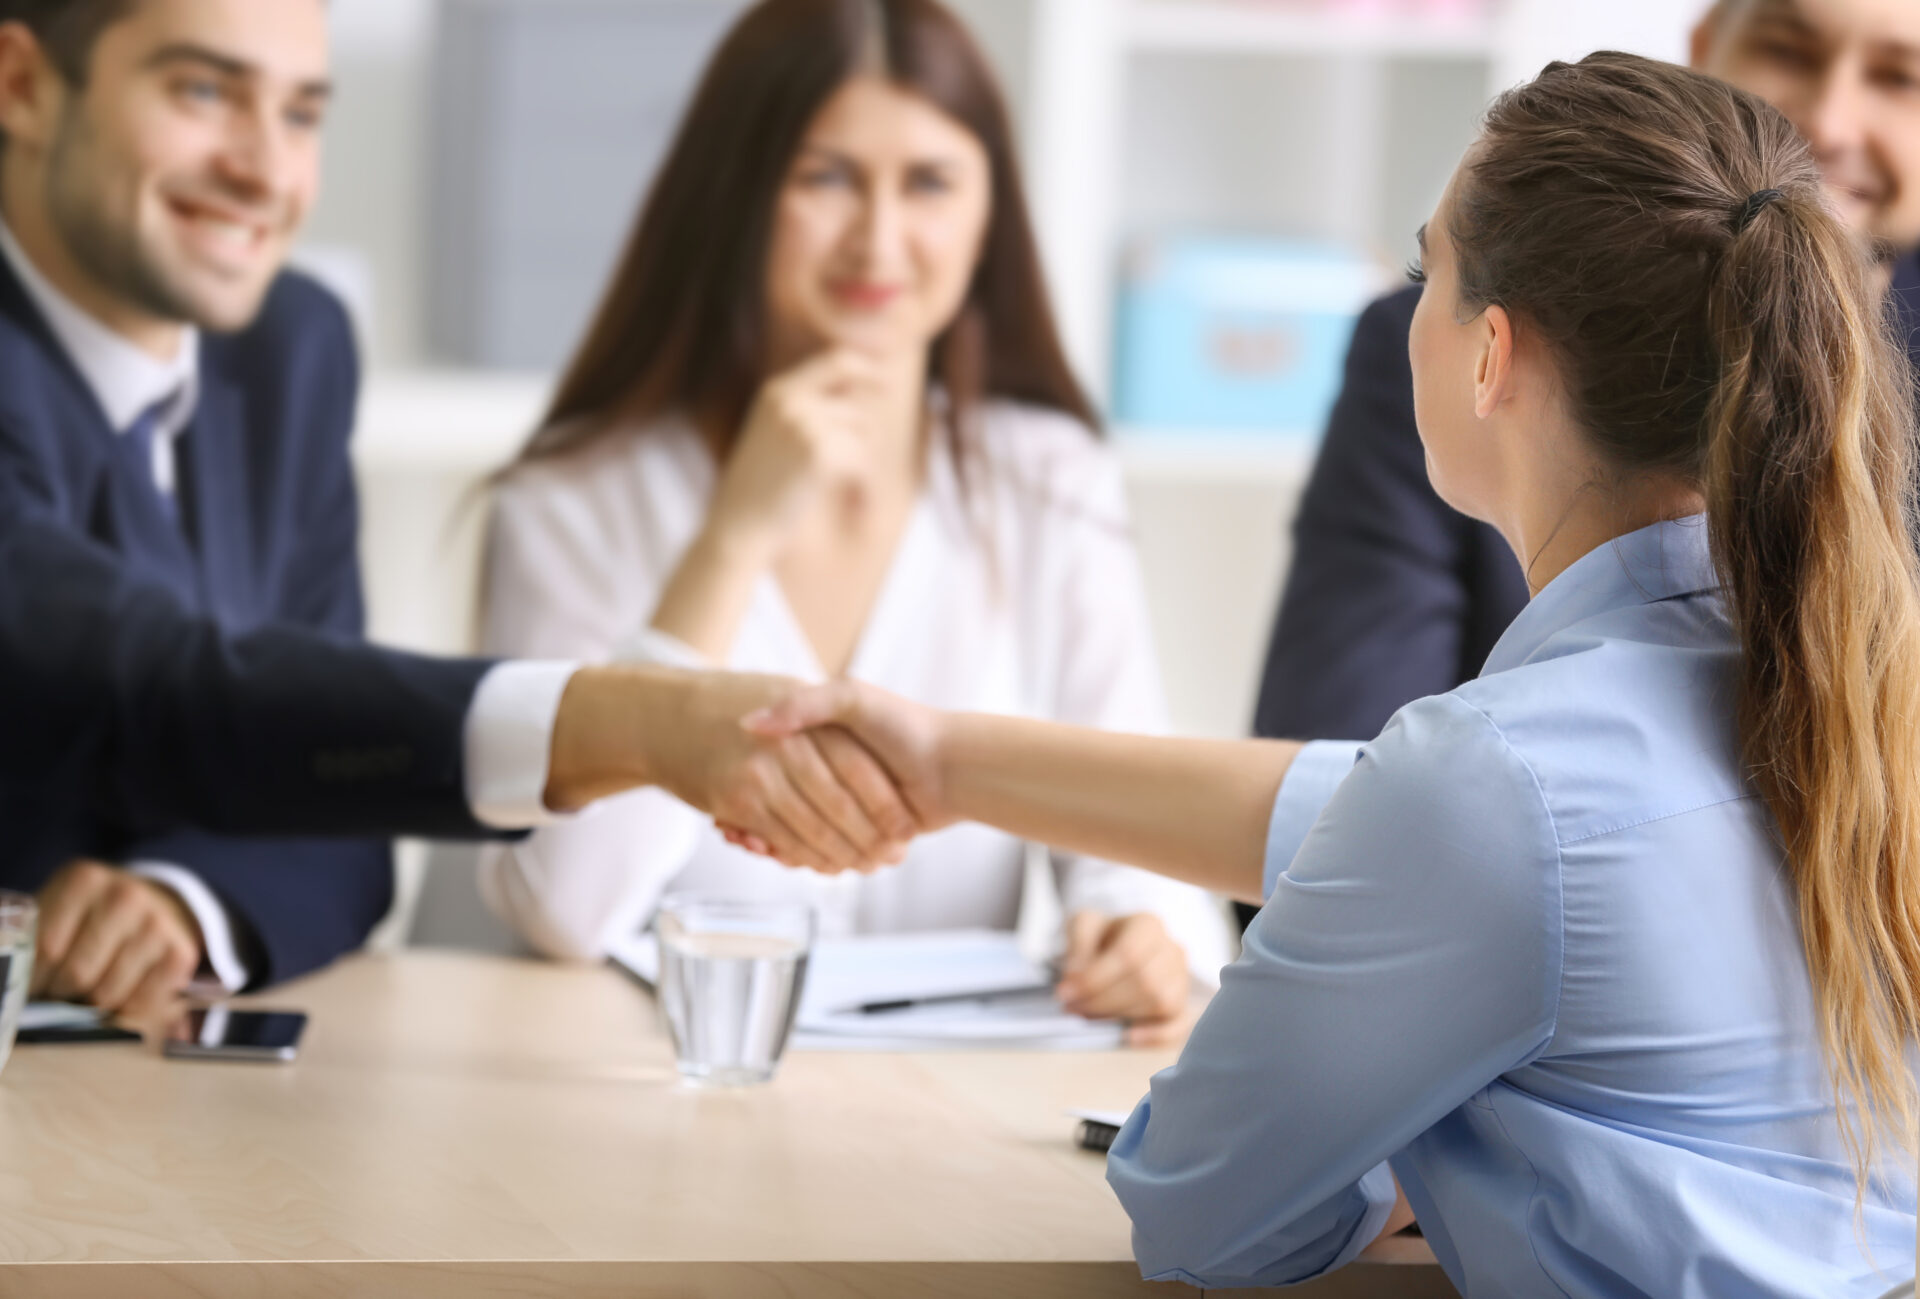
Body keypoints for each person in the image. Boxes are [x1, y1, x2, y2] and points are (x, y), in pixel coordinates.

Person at [739, 52, 1920, 1295]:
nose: (1403, 305)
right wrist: (948, 760)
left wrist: (1416, 1127)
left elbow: (1203, 1214)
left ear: (1489, 357)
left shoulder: (1501, 779)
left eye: (1428, 272)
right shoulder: (1839, 697)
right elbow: (1383, 819)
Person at [0, 0, 914, 1024]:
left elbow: (338, 793)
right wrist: (630, 718)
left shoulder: (287, 350)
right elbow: (160, 683)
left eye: (302, 113)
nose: (265, 170)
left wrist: (187, 903)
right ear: (23, 87)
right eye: (203, 91)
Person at [475, 0, 1229, 1037]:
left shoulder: (1049, 480)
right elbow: (562, 909)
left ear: (985, 214)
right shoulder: (572, 499)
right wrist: (731, 539)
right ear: (736, 197)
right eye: (824, 178)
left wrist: (1128, 921)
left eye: (928, 183)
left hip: (935, 1121)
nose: (880, 238)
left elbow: (1142, 817)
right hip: (638, 1108)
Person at [1253, 0, 1920, 754]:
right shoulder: (1448, 336)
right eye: (1789, 51)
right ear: (1704, 44)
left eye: (1901, 79)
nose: (1830, 123)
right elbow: (1340, 757)